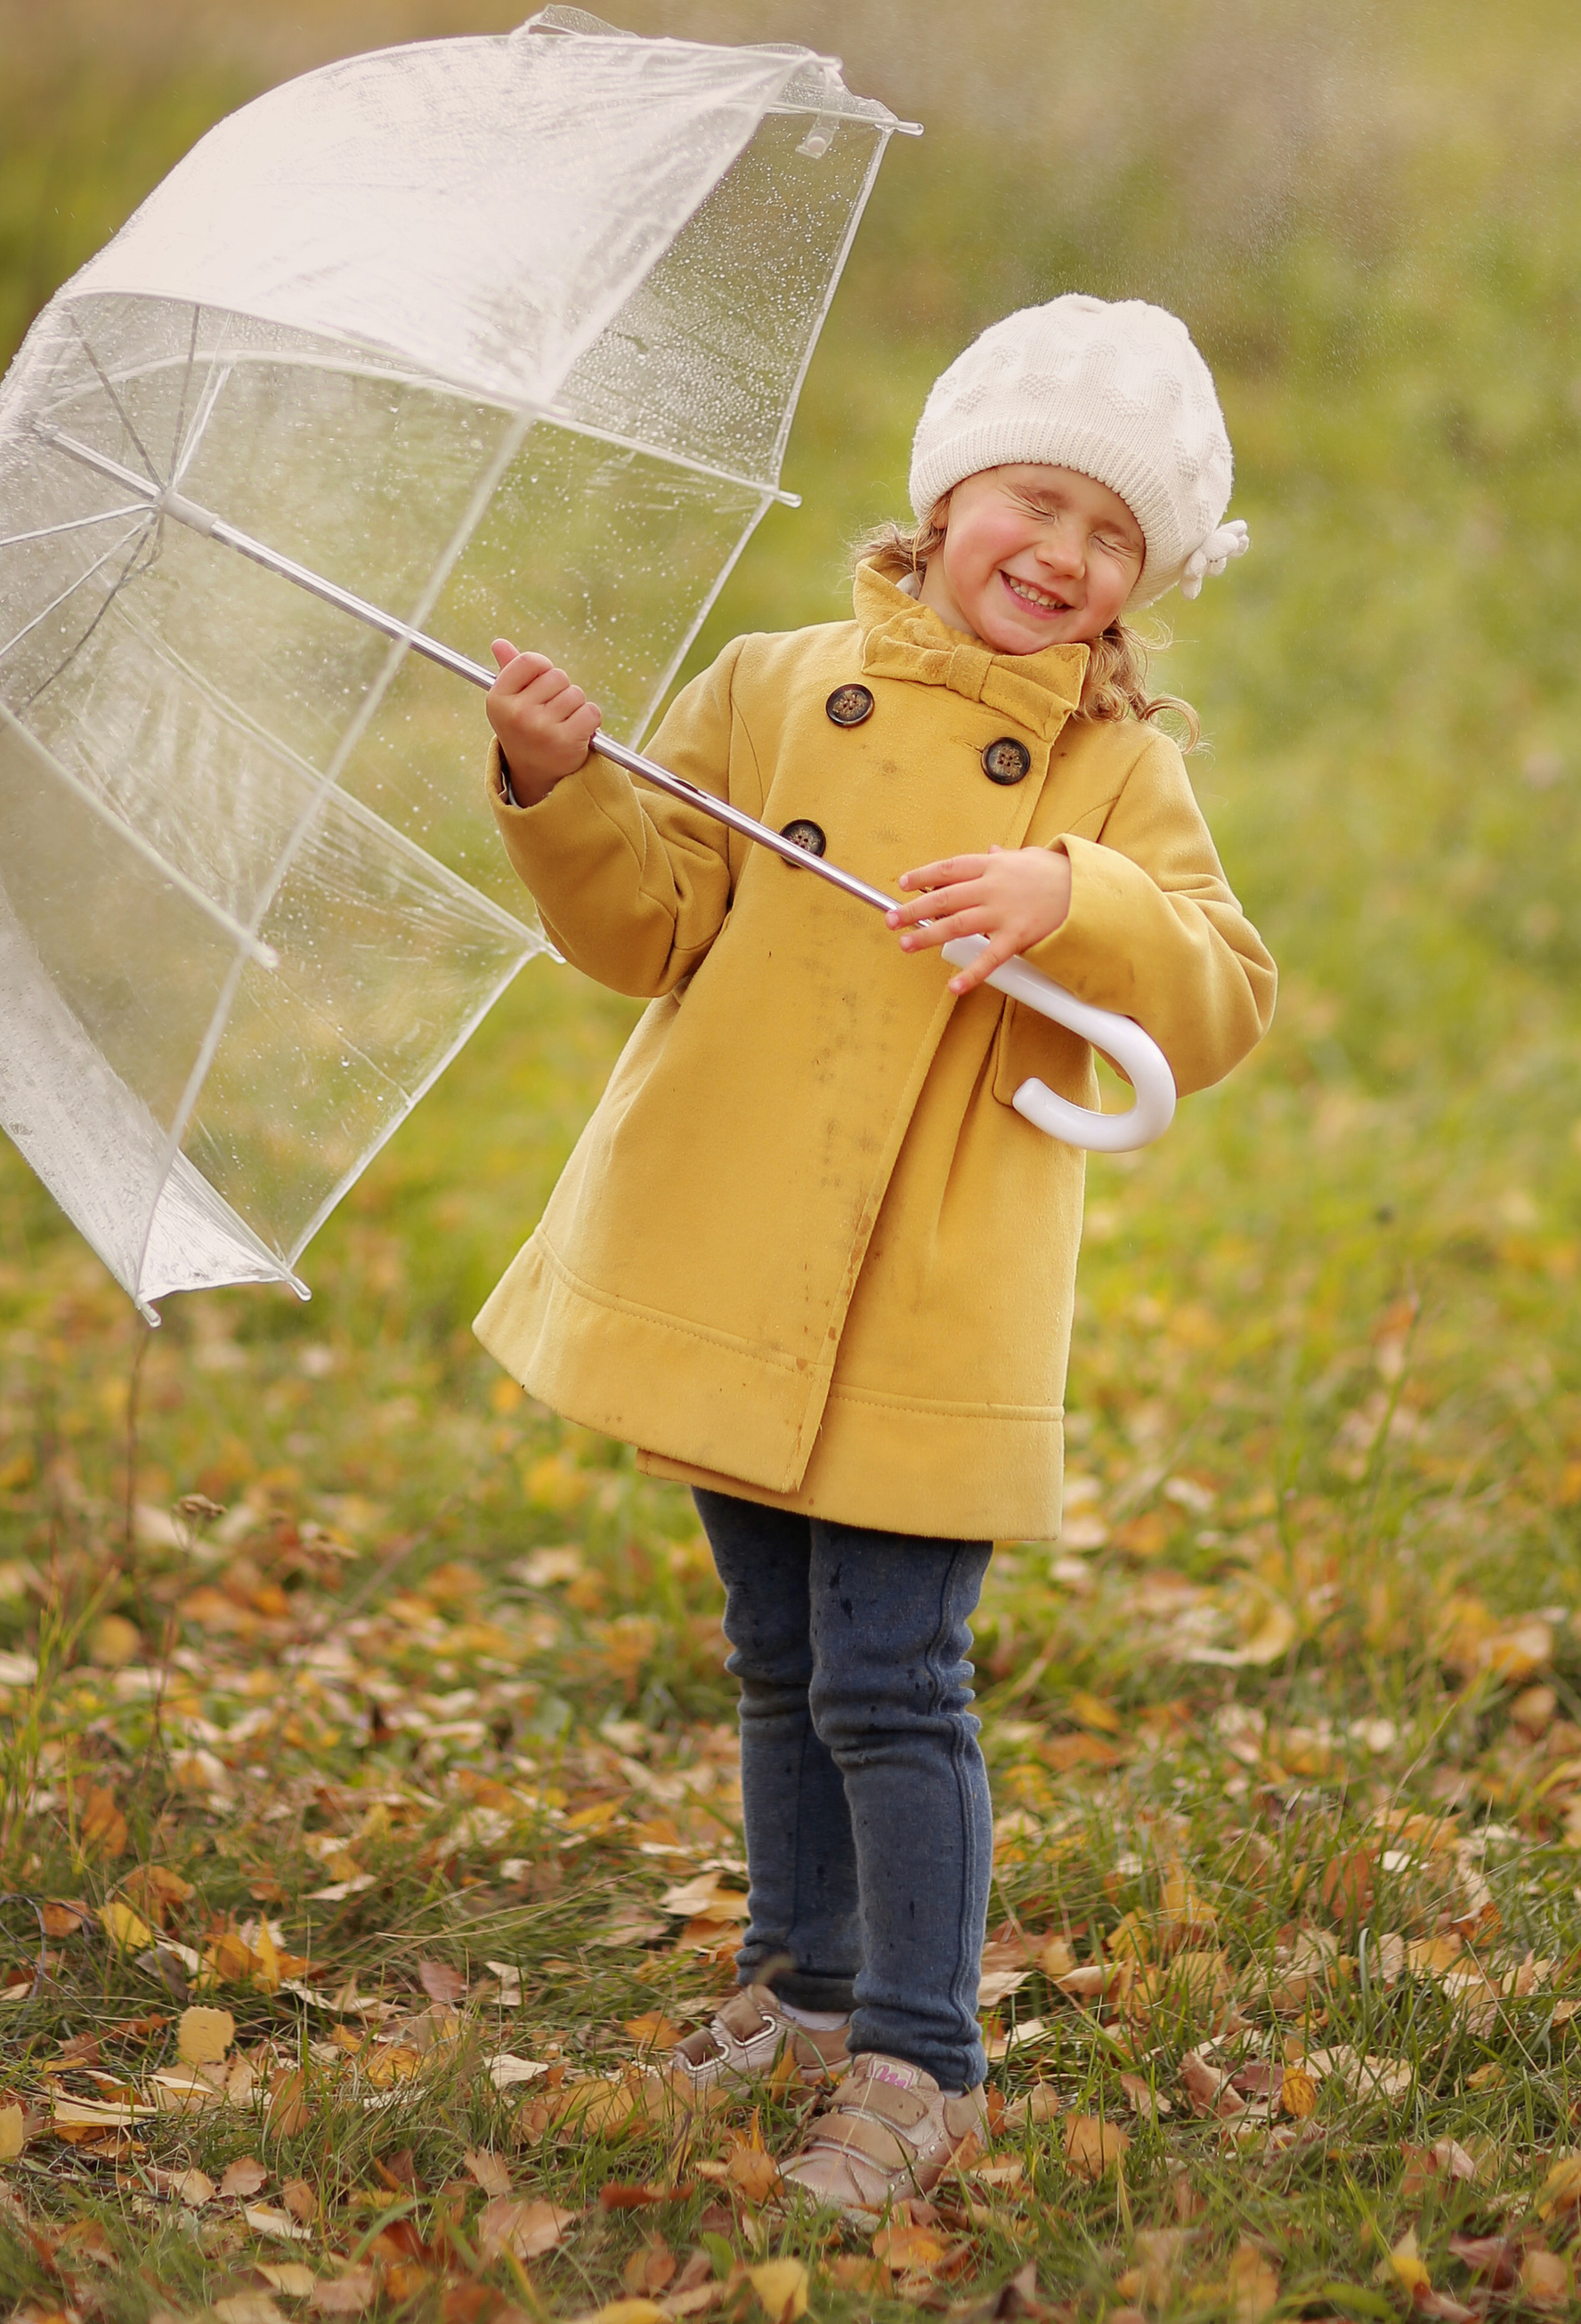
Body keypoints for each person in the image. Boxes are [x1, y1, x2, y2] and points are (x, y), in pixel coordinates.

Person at [475, 295, 1276, 2224]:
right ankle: (802, 1981)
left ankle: (923, 2057)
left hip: (924, 1280)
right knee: (775, 1657)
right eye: (1031, 499)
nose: (1061, 555)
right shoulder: (766, 684)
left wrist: (1063, 899)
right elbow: (650, 927)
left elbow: (1223, 983)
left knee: (891, 1680)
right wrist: (556, 784)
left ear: (1134, 584)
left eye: (1109, 537)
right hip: (741, 1243)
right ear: (941, 500)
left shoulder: (1109, 774)